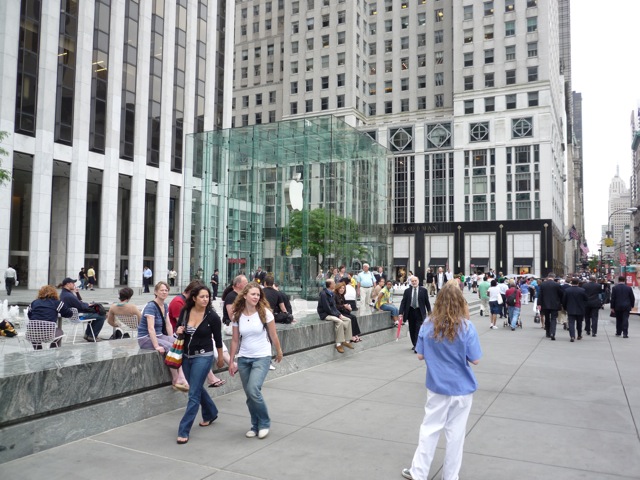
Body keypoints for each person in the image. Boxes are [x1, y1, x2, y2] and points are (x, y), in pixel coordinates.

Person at [402, 283, 482, 480]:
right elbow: (475, 359)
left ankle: (418, 472)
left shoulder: (428, 325)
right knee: (456, 434)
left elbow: (420, 355)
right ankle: (450, 476)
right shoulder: (466, 326)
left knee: (429, 428)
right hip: (462, 388)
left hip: (437, 385)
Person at [228, 282, 283, 439]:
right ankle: (255, 425)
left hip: (262, 357)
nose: (256, 297)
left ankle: (264, 423)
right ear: (245, 295)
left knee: (253, 390)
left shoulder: (265, 313)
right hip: (244, 358)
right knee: (249, 395)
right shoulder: (238, 315)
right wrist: (231, 361)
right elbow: (235, 340)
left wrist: (278, 351)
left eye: (258, 295)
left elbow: (273, 335)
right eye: (253, 294)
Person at [175, 284, 225, 445]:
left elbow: (218, 339)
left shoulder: (212, 317)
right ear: (194, 298)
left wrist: (221, 357)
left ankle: (184, 429)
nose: (205, 299)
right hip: (186, 355)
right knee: (196, 387)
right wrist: (179, 330)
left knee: (193, 393)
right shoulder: (185, 311)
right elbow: (178, 329)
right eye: (202, 296)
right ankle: (210, 412)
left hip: (204, 355)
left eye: (207, 297)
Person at [138, 281, 189, 391]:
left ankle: (181, 376)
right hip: (145, 338)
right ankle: (177, 378)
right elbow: (150, 328)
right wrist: (156, 346)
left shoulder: (164, 305)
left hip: (159, 335)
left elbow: (168, 324)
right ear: (156, 292)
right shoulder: (151, 306)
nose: (164, 292)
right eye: (162, 290)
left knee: (178, 345)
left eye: (166, 290)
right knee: (171, 348)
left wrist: (173, 339)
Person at [59, 277, 106, 342]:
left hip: (73, 316)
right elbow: (81, 306)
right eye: (73, 283)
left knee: (94, 314)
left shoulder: (64, 293)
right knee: (101, 316)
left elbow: (78, 302)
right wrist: (89, 305)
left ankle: (88, 335)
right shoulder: (69, 295)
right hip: (78, 316)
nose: (74, 285)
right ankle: (92, 336)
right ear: (68, 284)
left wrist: (77, 294)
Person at [317, 279, 354, 353]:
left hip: (332, 313)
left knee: (348, 320)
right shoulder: (323, 294)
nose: (335, 284)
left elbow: (334, 307)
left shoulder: (332, 293)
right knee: (339, 321)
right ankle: (338, 344)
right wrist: (337, 315)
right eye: (333, 283)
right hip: (325, 314)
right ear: (330, 285)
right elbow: (327, 308)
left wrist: (339, 314)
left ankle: (346, 341)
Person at [399, 275, 432, 352]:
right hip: (410, 311)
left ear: (418, 281)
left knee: (418, 328)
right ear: (410, 282)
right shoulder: (407, 291)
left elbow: (427, 302)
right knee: (412, 328)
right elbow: (403, 302)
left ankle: (417, 345)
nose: (414, 282)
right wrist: (401, 312)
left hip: (419, 312)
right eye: (412, 281)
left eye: (415, 281)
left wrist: (429, 311)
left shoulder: (423, 290)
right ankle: (414, 344)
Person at [537, 272, 564, 341]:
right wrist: (561, 302)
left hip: (545, 304)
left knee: (547, 318)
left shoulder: (543, 284)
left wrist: (538, 303)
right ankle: (553, 333)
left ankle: (547, 332)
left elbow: (540, 295)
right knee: (553, 319)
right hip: (555, 304)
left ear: (547, 277)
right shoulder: (557, 285)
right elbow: (561, 294)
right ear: (554, 277)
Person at [562, 278, 588, 342]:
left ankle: (572, 336)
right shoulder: (582, 290)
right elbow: (586, 299)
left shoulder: (567, 290)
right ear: (578, 283)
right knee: (579, 323)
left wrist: (565, 308)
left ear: (571, 283)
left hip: (570, 309)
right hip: (580, 309)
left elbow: (564, 300)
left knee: (571, 323)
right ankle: (579, 335)